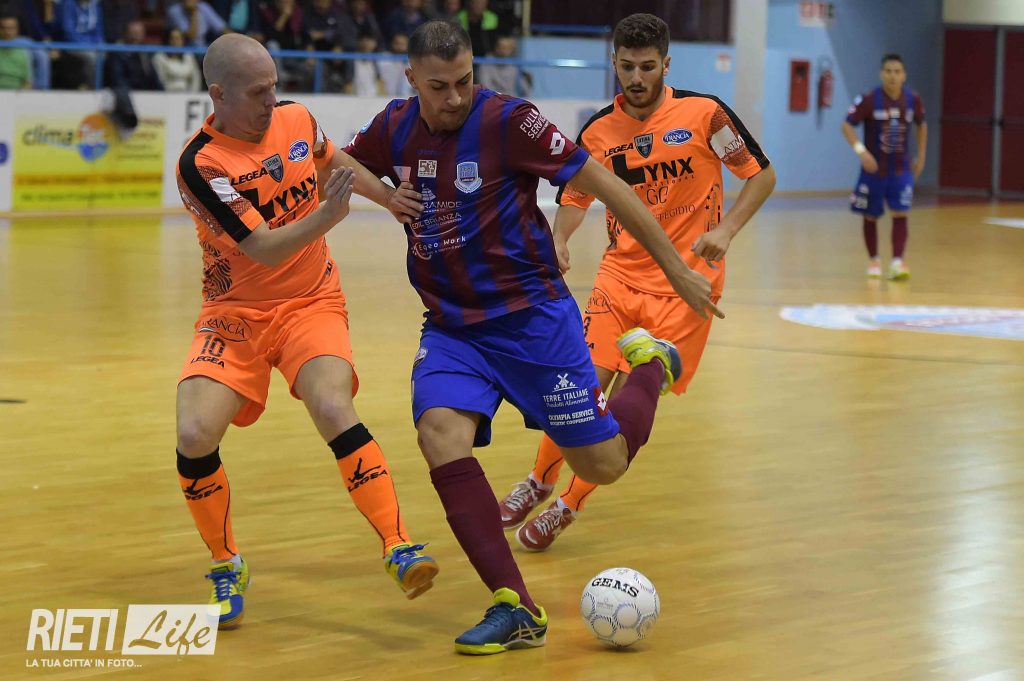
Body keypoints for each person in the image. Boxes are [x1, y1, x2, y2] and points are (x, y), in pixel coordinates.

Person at [343, 20, 721, 655]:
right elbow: (336, 159)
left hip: (534, 323)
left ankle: (652, 364)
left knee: (602, 464)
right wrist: (384, 196)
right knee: (439, 434)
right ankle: (514, 605)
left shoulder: (509, 121)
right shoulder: (394, 126)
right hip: (454, 327)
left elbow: (610, 187)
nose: (454, 97)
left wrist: (678, 270)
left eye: (464, 81)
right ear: (411, 79)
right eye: (438, 87)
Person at [174, 33, 437, 629]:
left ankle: (398, 545)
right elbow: (263, 248)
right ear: (219, 94)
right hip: (234, 314)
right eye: (257, 92)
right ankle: (225, 561)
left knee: (333, 406)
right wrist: (328, 216)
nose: (272, 101)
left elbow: (333, 162)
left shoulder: (295, 118)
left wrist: (388, 197)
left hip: (310, 301)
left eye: (274, 87)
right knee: (193, 432)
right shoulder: (201, 164)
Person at [498, 13, 775, 551]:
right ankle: (538, 480)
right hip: (619, 278)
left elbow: (762, 175)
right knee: (578, 387)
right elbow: (575, 198)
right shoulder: (598, 131)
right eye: (626, 66)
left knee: (626, 407)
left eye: (647, 67)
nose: (636, 77)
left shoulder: (705, 114)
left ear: (666, 64)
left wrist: (726, 230)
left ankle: (567, 506)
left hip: (686, 286)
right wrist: (560, 238)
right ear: (614, 63)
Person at [842, 53, 926, 280]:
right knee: (870, 215)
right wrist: (861, 152)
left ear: (904, 75)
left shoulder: (913, 99)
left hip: (901, 169)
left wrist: (921, 156)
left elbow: (922, 124)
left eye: (897, 72)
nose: (892, 76)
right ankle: (874, 261)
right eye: (888, 71)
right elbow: (847, 126)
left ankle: (897, 262)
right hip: (874, 170)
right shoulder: (869, 99)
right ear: (881, 74)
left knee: (901, 211)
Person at [153, 28, 203, 92]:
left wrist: (192, 94)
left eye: (178, 39)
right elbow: (161, 80)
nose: (175, 42)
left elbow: (196, 78)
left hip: (188, 94)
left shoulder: (188, 56)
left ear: (182, 41)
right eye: (172, 39)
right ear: (167, 40)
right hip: (167, 94)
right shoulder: (159, 57)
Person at [0, 12, 32, 90]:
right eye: (3, 28)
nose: (7, 32)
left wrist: (20, 95)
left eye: (11, 28)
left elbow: (28, 82)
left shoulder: (24, 52)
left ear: (17, 30)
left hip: (18, 93)